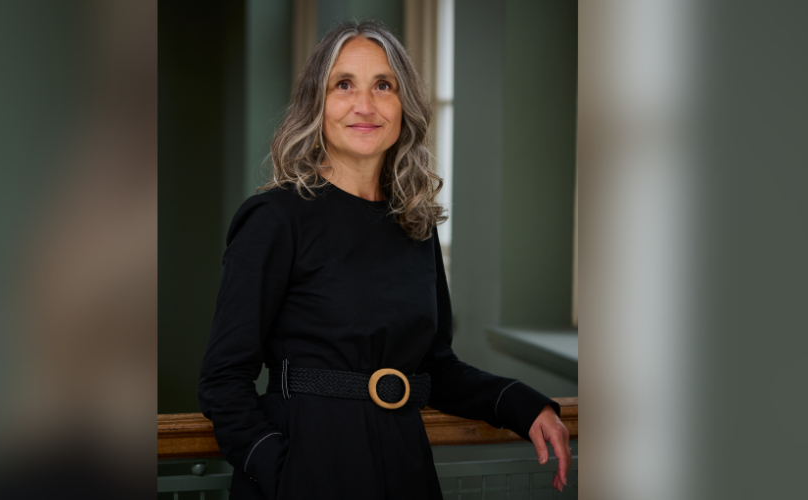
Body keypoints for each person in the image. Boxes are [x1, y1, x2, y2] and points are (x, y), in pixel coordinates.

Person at [197, 20, 570, 500]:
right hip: (305, 465)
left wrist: (520, 402)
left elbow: (435, 368)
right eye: (344, 84)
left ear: (403, 106)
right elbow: (223, 379)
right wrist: (279, 469)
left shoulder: (415, 222)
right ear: (318, 104)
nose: (365, 105)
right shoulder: (274, 219)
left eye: (383, 85)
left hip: (402, 464)